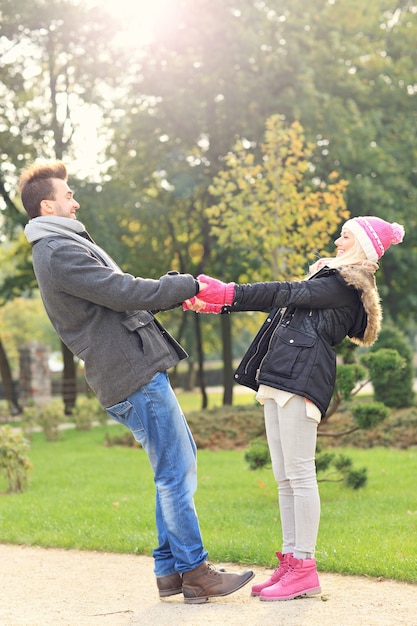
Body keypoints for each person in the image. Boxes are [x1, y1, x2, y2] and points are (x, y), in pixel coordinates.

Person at [18, 161, 254, 604]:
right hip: (129, 371)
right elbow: (123, 291)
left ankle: (170, 571)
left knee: (175, 467)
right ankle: (196, 573)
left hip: (130, 367)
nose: (76, 201)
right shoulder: (57, 251)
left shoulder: (62, 245)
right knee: (174, 474)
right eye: (69, 195)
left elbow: (117, 294)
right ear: (48, 205)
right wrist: (186, 284)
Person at [184, 216, 404, 601]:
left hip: (303, 380)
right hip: (282, 377)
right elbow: (279, 308)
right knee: (285, 477)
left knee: (300, 476)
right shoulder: (328, 279)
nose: (337, 241)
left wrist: (228, 292)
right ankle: (290, 561)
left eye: (346, 236)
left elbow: (283, 292)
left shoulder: (343, 285)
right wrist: (216, 305)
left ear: (365, 247)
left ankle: (304, 566)